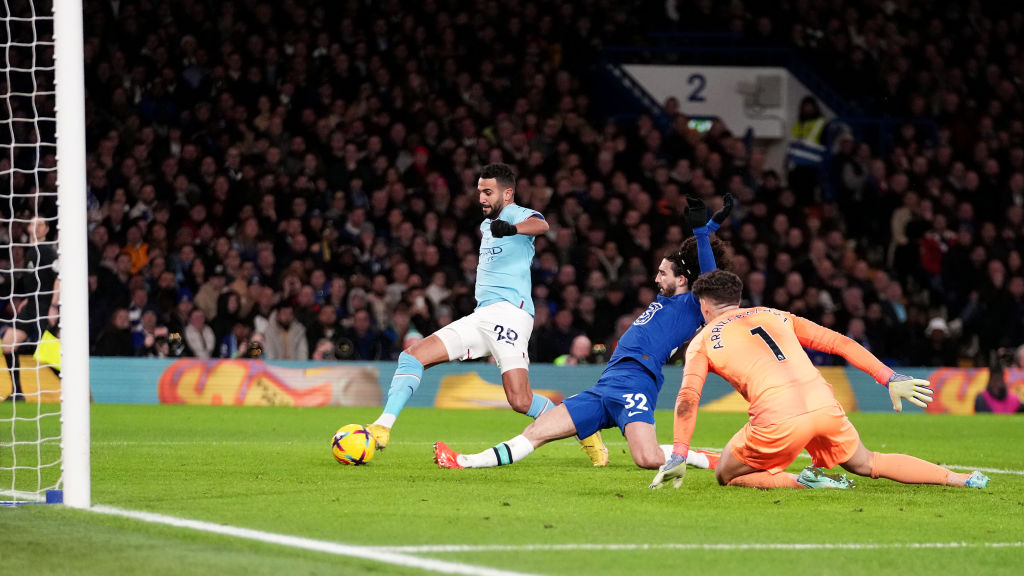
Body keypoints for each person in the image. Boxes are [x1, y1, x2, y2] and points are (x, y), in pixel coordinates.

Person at [433, 194, 733, 471]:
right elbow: (692, 261)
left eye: (662, 273)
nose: (656, 278)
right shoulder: (667, 300)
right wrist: (709, 226)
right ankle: (461, 461)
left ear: (682, 280)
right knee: (536, 432)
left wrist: (701, 234)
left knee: (647, 458)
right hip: (607, 383)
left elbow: (708, 275)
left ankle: (707, 459)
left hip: (636, 381)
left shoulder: (692, 304)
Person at [365, 163, 618, 461]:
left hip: (510, 315)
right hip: (481, 316)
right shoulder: (487, 225)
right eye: (479, 192)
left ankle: (584, 428)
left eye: (488, 192)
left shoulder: (513, 214)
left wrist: (512, 228)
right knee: (412, 356)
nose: (481, 198)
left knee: (520, 400)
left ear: (507, 193)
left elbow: (542, 225)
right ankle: (382, 427)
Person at [650, 269, 990, 490]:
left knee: (726, 473)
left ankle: (805, 482)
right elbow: (840, 343)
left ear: (703, 305)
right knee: (867, 461)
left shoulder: (703, 340)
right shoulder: (775, 314)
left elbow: (686, 400)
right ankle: (960, 479)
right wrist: (888, 377)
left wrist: (679, 453)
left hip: (777, 417)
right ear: (737, 299)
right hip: (823, 404)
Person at [2, 216, 59, 400]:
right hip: (31, 305)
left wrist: (53, 305)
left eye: (40, 224)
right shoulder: (31, 251)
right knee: (8, 345)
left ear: (46, 229)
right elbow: (34, 281)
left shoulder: (48, 252)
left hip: (44, 306)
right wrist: (27, 298)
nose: (35, 227)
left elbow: (59, 278)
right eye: (32, 223)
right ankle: (17, 392)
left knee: (51, 355)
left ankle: (78, 389)